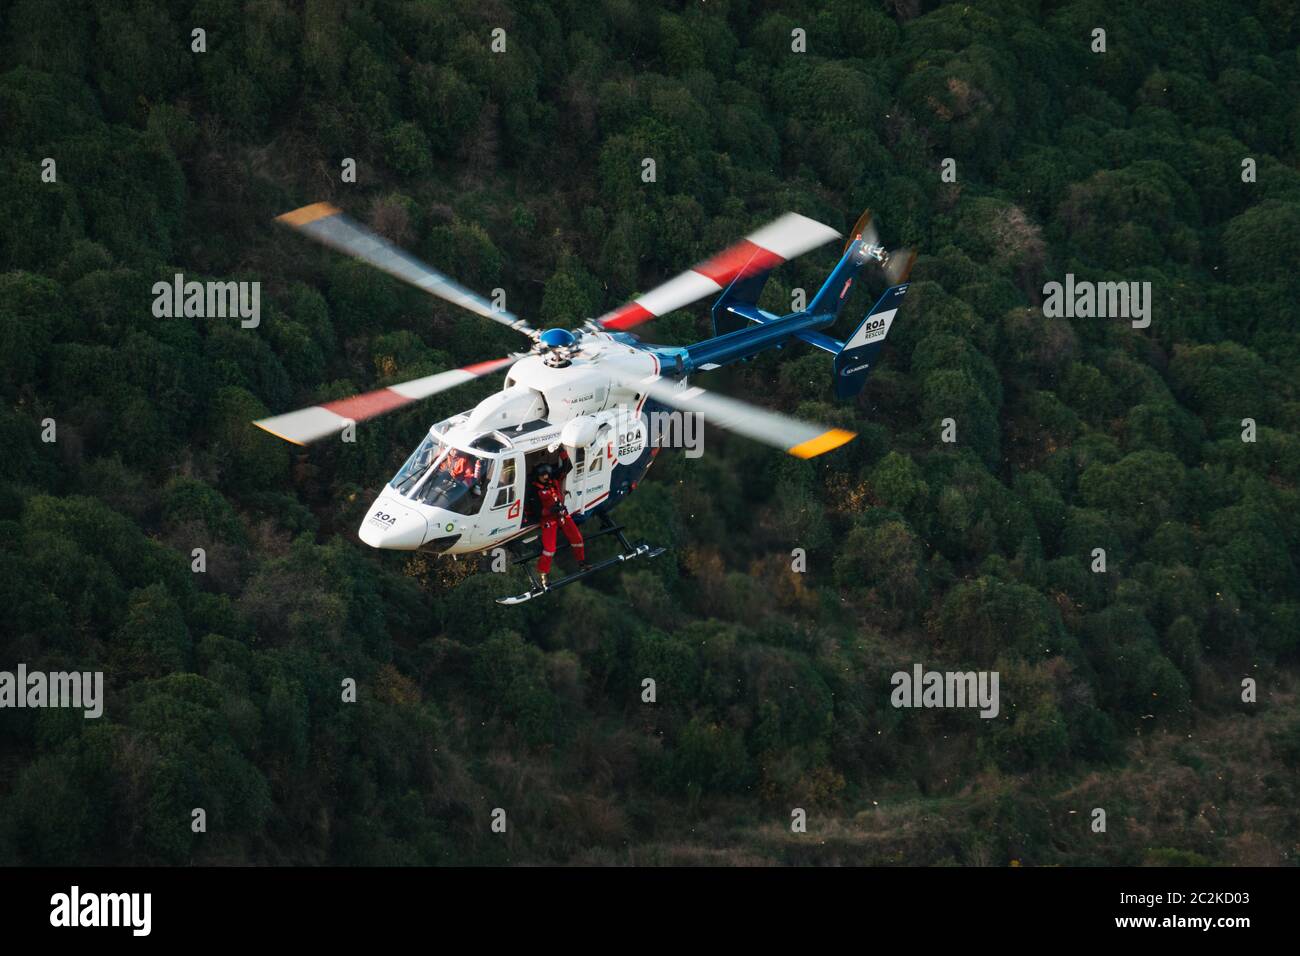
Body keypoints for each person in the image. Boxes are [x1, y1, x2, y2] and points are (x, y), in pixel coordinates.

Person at [532, 449, 587, 588]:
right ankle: (543, 574)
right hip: (548, 520)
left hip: (562, 514)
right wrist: (550, 510)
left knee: (577, 538)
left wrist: (561, 449)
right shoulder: (535, 491)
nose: (545, 477)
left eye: (546, 475)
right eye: (542, 476)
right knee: (549, 549)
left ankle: (581, 562)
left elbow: (567, 466)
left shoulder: (553, 479)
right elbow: (537, 512)